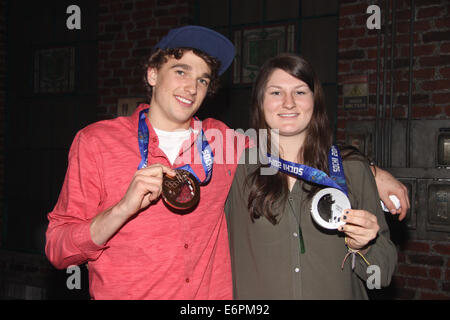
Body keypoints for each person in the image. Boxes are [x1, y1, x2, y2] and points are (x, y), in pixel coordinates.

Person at [45, 25, 407, 300]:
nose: (192, 87)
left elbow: (291, 145)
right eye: (181, 71)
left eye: (203, 78)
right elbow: (58, 248)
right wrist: (121, 210)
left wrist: (372, 172)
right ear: (152, 74)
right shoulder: (95, 142)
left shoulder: (225, 144)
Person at [225, 53, 398, 299]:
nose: (288, 103)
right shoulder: (236, 169)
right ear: (259, 102)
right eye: (275, 92)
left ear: (315, 100)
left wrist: (364, 247)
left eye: (300, 92)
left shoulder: (351, 169)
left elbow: (382, 274)